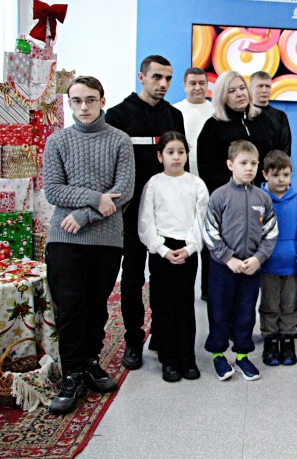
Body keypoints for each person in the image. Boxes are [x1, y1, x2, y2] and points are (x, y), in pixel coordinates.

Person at [44, 76, 134, 415]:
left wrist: (84, 215)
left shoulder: (120, 140)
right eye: (77, 100)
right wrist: (96, 199)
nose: (84, 107)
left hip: (106, 238)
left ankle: (90, 362)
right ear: (69, 103)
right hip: (64, 237)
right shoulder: (57, 141)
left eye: (90, 100)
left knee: (96, 305)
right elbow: (53, 190)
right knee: (70, 307)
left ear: (102, 101)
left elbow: (123, 191)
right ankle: (72, 375)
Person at [106, 55, 185, 372]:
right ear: (141, 77)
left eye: (168, 78)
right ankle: (133, 340)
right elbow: (109, 165)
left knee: (164, 277)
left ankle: (163, 335)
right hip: (130, 211)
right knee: (133, 277)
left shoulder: (174, 116)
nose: (163, 84)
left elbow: (180, 164)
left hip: (167, 213)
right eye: (157, 77)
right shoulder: (118, 115)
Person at [197, 70, 279, 300]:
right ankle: (212, 295)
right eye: (232, 91)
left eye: (242, 88)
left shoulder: (262, 120)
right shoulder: (213, 126)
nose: (239, 94)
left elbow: (271, 156)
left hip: (257, 196)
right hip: (226, 198)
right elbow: (206, 167)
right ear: (222, 96)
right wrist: (231, 190)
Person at [203, 140, 278, 382]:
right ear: (230, 165)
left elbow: (271, 233)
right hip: (223, 267)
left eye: (253, 163)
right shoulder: (219, 196)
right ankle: (218, 355)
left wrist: (258, 258)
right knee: (219, 311)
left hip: (250, 268)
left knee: (246, 311)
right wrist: (228, 258)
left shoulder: (263, 198)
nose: (249, 168)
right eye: (243, 163)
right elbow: (210, 231)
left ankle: (242, 355)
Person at [138, 132, 209, 382]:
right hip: (162, 251)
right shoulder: (154, 184)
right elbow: (146, 222)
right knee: (164, 305)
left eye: (181, 152)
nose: (176, 157)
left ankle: (187, 358)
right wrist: (163, 249)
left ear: (187, 155)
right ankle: (168, 359)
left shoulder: (196, 184)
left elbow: (202, 220)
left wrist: (190, 248)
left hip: (187, 250)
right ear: (160, 156)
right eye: (170, 152)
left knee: (185, 305)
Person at [258, 150, 297, 367]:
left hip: (292, 266)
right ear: (265, 174)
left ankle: (287, 338)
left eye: (285, 175)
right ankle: (270, 339)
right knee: (269, 304)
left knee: (290, 304)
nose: (281, 180)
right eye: (275, 175)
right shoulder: (259, 201)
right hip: (267, 265)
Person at [173, 67, 212, 176]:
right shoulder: (174, 111)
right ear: (184, 86)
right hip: (181, 172)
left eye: (202, 83)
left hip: (210, 172)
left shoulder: (217, 111)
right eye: (193, 83)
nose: (198, 87)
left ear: (207, 85)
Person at [250, 70, 292, 155]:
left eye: (268, 86)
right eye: (260, 86)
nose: (264, 90)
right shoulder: (244, 114)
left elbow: (285, 147)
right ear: (250, 88)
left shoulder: (280, 116)